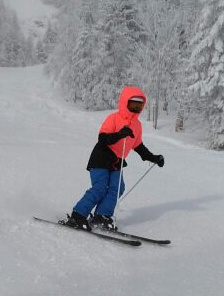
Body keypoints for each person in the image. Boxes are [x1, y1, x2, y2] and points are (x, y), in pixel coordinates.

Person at [63, 86, 164, 230]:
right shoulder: (114, 118)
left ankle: (101, 216)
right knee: (100, 188)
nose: (136, 108)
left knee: (117, 188)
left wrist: (154, 158)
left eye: (139, 105)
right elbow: (102, 139)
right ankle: (77, 216)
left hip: (116, 162)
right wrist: (119, 134)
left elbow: (138, 146)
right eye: (133, 104)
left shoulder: (137, 125)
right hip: (101, 157)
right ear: (125, 102)